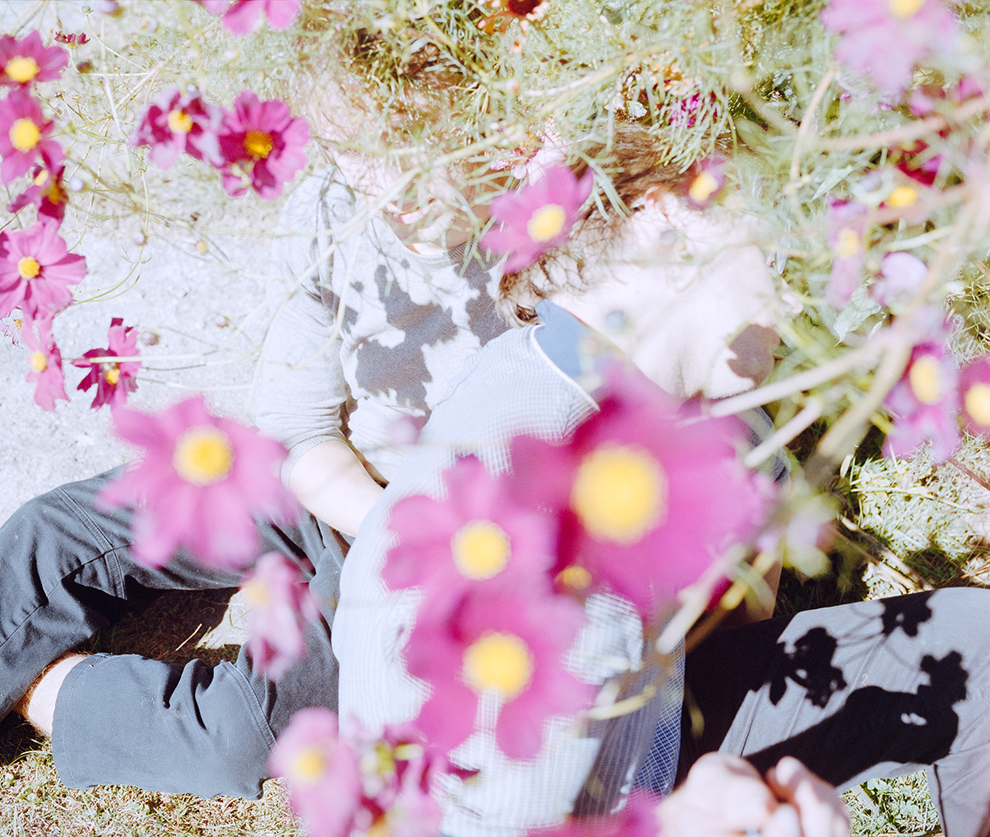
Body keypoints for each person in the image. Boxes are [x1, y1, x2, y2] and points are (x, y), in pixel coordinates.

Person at [0, 27, 532, 796]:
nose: (387, 195)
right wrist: (372, 506)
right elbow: (303, 429)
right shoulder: (334, 210)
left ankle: (12, 670)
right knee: (60, 530)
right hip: (338, 487)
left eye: (409, 155)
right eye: (355, 159)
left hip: (448, 550)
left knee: (241, 736)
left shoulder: (553, 235)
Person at [331, 153, 990, 835]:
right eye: (780, 251)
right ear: (666, 207)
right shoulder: (565, 564)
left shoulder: (538, 371)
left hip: (634, 728)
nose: (800, 299)